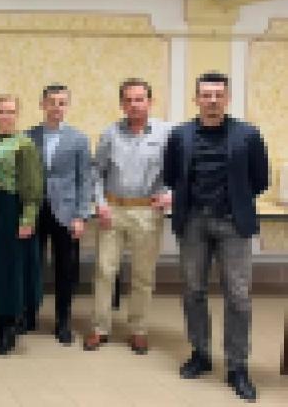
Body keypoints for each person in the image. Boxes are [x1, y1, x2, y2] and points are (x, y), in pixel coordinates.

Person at [164, 72, 269, 402]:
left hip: (233, 224)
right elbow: (171, 176)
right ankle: (201, 353)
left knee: (238, 296)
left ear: (227, 98)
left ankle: (238, 366)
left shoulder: (248, 135)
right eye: (206, 95)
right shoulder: (180, 135)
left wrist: (234, 200)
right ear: (196, 99)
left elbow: (260, 180)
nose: (212, 100)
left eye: (218, 95)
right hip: (193, 222)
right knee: (193, 290)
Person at [83, 79, 172, 355]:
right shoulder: (110, 134)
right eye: (129, 100)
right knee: (104, 271)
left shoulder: (166, 134)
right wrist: (99, 204)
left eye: (139, 99)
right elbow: (96, 172)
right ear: (122, 104)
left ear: (150, 102)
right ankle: (100, 328)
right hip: (112, 210)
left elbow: (179, 172)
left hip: (147, 211)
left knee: (143, 275)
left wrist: (172, 194)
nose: (134, 105)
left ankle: (138, 330)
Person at [0, 95, 43, 355]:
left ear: (17, 115)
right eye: (2, 111)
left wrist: (27, 218)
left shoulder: (24, 144)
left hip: (10, 209)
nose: (6, 116)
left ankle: (8, 330)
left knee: (8, 270)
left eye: (11, 111)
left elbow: (33, 186)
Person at [26, 84, 92, 344]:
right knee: (32, 265)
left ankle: (63, 321)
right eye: (51, 102)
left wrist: (81, 215)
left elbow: (85, 179)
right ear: (42, 104)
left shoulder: (79, 139)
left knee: (65, 270)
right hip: (35, 210)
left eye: (62, 102)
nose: (56, 107)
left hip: (66, 212)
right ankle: (29, 315)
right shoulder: (28, 136)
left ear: (67, 106)